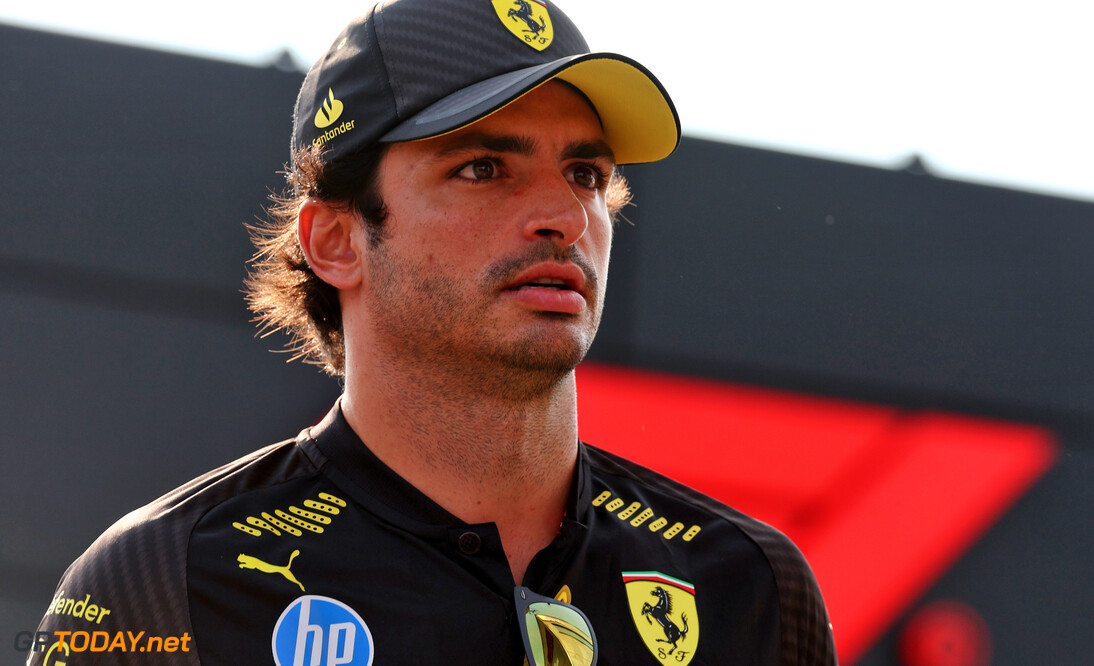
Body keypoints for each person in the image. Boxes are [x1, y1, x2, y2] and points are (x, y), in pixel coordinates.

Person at [29, 0, 837, 664]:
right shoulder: (161, 583)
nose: (564, 218)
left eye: (585, 174)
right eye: (483, 168)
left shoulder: (749, 584)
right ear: (337, 241)